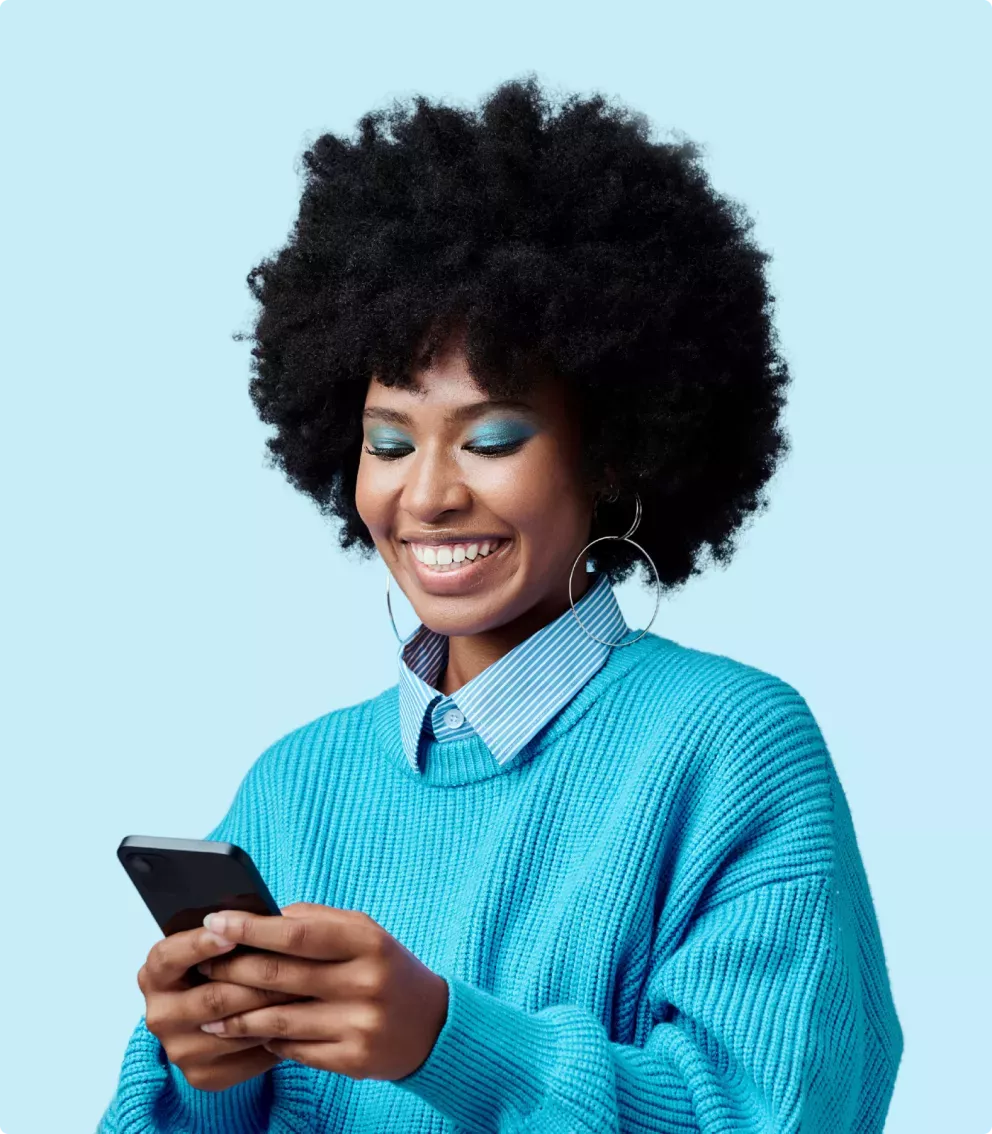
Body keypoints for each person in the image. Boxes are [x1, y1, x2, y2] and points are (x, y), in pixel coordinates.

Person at [98, 75, 903, 1133]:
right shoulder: (292, 787)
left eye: (489, 439)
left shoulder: (730, 750)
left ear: (610, 451)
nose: (425, 492)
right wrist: (209, 1071)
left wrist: (446, 1043)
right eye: (388, 442)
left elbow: (779, 1112)